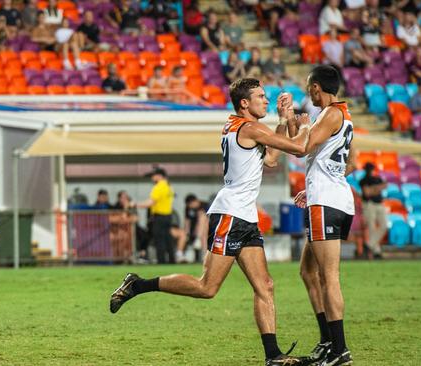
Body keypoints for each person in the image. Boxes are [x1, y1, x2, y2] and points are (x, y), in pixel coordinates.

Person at [110, 79, 312, 366]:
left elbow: (270, 159)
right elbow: (300, 148)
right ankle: (138, 285)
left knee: (265, 285)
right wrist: (300, 122)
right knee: (207, 288)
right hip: (231, 215)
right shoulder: (251, 128)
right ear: (244, 103)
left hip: (244, 216)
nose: (265, 101)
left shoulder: (237, 125)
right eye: (260, 96)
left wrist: (281, 122)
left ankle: (273, 356)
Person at [293, 65, 355, 366]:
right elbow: (350, 162)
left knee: (329, 277)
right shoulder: (345, 117)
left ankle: (339, 349)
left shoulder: (330, 114)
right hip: (334, 199)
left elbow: (302, 146)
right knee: (307, 271)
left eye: (309, 88)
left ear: (317, 87)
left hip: (326, 203)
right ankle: (327, 340)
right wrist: (319, 181)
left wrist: (302, 124)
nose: (308, 93)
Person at [131, 166, 175, 264]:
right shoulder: (169, 186)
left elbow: (151, 203)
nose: (152, 178)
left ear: (159, 176)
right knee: (168, 240)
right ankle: (172, 260)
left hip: (159, 217)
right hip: (168, 216)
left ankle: (162, 261)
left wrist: (135, 204)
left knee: (159, 240)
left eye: (153, 175)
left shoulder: (158, 187)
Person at [359, 162, 386, 259]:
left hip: (379, 203)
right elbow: (367, 193)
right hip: (369, 204)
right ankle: (377, 251)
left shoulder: (376, 178)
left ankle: (369, 245)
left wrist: (373, 189)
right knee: (371, 228)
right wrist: (376, 189)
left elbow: (384, 186)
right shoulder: (364, 180)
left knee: (384, 226)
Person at [184, 193, 208, 263]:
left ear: (195, 201)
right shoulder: (188, 208)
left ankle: (205, 255)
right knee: (184, 234)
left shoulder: (205, 205)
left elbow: (208, 220)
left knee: (202, 217)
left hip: (206, 229)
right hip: (193, 230)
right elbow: (187, 221)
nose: (191, 207)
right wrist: (186, 232)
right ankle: (183, 255)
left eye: (191, 205)